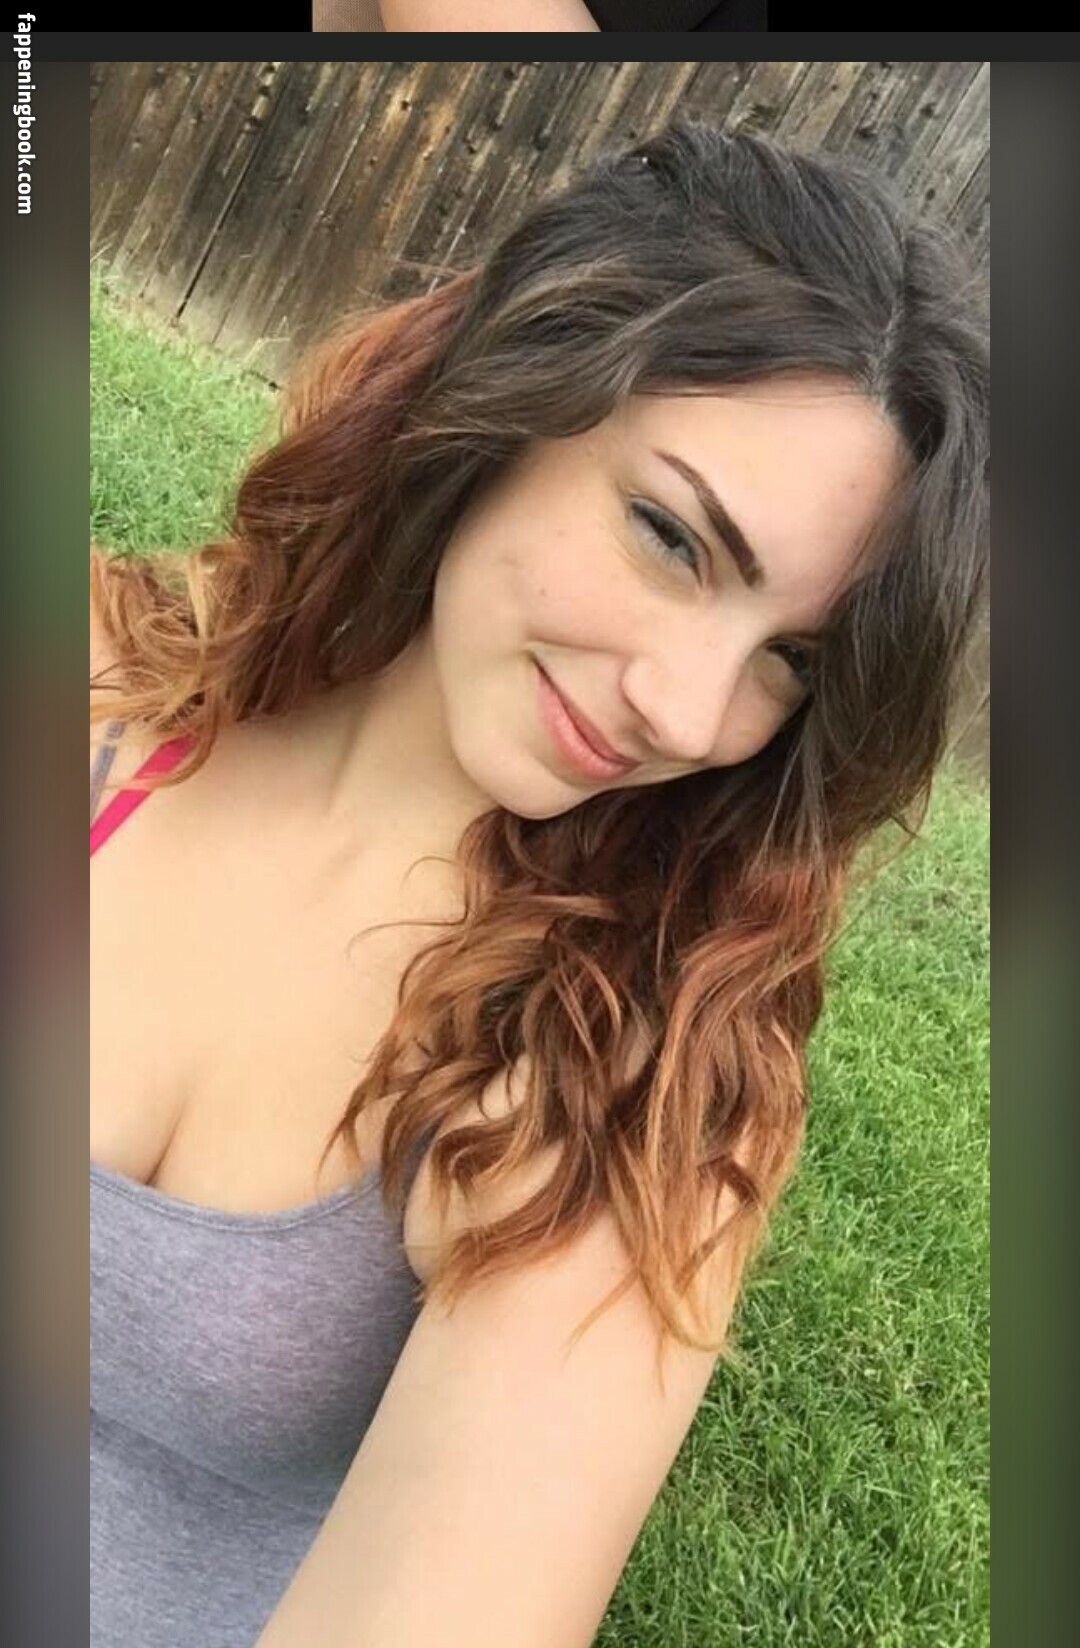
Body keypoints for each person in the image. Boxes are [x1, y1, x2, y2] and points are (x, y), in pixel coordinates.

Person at [90, 119, 989, 1648]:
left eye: (790, 660)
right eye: (671, 538)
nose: (689, 714)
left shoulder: (618, 1082)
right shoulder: (109, 684)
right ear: (515, 386)